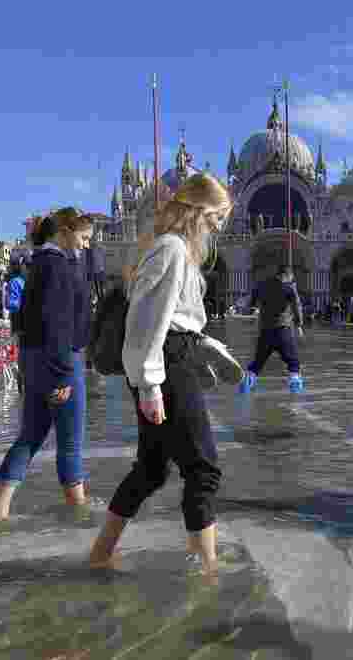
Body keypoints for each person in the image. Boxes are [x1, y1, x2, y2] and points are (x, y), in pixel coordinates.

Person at [90, 173, 234, 576]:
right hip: (165, 364)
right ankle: (207, 568)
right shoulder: (170, 249)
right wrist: (151, 383)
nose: (220, 225)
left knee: (152, 469)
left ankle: (102, 551)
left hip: (171, 358)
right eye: (218, 215)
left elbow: (177, 319)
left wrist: (204, 349)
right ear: (199, 210)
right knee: (203, 469)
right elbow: (145, 321)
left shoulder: (177, 251)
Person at [0, 207, 94, 522]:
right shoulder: (58, 266)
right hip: (60, 360)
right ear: (64, 232)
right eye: (84, 238)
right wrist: (61, 376)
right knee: (71, 440)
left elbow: (27, 320)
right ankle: (79, 512)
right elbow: (57, 323)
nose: (86, 246)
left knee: (31, 434)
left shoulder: (37, 263)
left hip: (34, 358)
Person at [239, 265, 306, 394]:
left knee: (257, 364)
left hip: (265, 331)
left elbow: (252, 301)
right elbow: (297, 306)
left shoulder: (262, 286)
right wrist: (299, 325)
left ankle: (245, 388)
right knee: (293, 363)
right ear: (288, 275)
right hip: (283, 331)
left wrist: (253, 309)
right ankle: (296, 397)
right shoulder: (289, 288)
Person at [4, 262, 27, 393]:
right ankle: (22, 383)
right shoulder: (18, 282)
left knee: (23, 355)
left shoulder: (17, 282)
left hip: (22, 324)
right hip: (22, 325)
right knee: (23, 354)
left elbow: (10, 303)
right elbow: (11, 303)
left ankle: (23, 383)